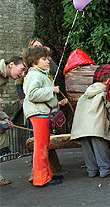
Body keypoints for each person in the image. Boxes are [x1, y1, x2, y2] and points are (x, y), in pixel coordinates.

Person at [22, 47, 68, 187]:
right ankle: (41, 179)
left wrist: (58, 103)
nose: (47, 61)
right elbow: (32, 94)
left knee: (44, 146)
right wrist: (51, 90)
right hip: (39, 116)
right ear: (34, 61)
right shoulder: (34, 75)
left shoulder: (39, 74)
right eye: (44, 59)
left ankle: (47, 175)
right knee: (41, 147)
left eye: (47, 58)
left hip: (42, 114)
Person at [70, 72, 110, 178]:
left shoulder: (86, 93)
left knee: (87, 149)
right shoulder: (105, 92)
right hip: (96, 125)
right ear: (108, 81)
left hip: (81, 126)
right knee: (100, 148)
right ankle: (105, 169)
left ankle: (92, 170)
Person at [0, 56, 26, 186]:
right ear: (11, 65)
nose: (22, 74)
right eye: (21, 70)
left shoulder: (4, 78)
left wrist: (4, 117)